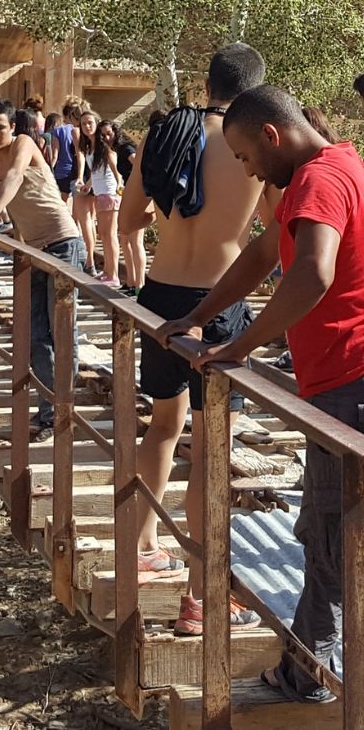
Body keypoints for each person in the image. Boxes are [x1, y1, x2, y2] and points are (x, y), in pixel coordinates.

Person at [159, 85, 364, 699]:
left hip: (345, 379)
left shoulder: (315, 182)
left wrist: (238, 346)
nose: (246, 169)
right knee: (333, 529)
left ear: (272, 137)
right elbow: (262, 254)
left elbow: (312, 270)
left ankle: (308, 675)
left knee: (328, 532)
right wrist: (201, 315)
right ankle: (315, 666)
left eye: (246, 157)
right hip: (343, 376)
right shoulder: (344, 164)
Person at [118, 41, 267, 636]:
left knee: (161, 426)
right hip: (219, 304)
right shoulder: (253, 144)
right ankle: (200, 598)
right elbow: (276, 237)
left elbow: (129, 220)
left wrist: (176, 213)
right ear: (256, 91)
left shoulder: (165, 134)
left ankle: (143, 544)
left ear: (207, 83)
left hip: (159, 296)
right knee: (210, 450)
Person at [0, 98, 85, 442]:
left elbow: (14, 178)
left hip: (63, 244)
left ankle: (64, 409)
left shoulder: (25, 144)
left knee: (62, 332)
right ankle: (48, 413)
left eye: (0, 127)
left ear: (12, 127)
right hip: (31, 250)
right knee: (36, 336)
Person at [74, 111, 122, 284]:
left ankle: (113, 274)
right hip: (100, 192)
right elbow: (97, 171)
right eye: (83, 123)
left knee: (110, 235)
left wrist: (119, 186)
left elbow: (115, 171)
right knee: (103, 234)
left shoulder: (105, 147)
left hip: (109, 193)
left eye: (90, 122)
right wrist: (89, 184)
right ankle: (108, 271)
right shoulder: (90, 147)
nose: (87, 126)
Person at [100, 120, 146, 295]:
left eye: (108, 134)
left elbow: (139, 165)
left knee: (135, 241)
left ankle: (140, 285)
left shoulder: (126, 148)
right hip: (128, 193)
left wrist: (137, 188)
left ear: (116, 132)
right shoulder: (118, 149)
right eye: (103, 135)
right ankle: (131, 282)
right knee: (125, 239)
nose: (106, 138)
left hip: (136, 195)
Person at [51, 99, 82, 201]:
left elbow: (55, 154)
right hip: (76, 170)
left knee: (62, 201)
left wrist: (50, 169)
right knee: (79, 202)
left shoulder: (58, 131)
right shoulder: (81, 130)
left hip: (62, 170)